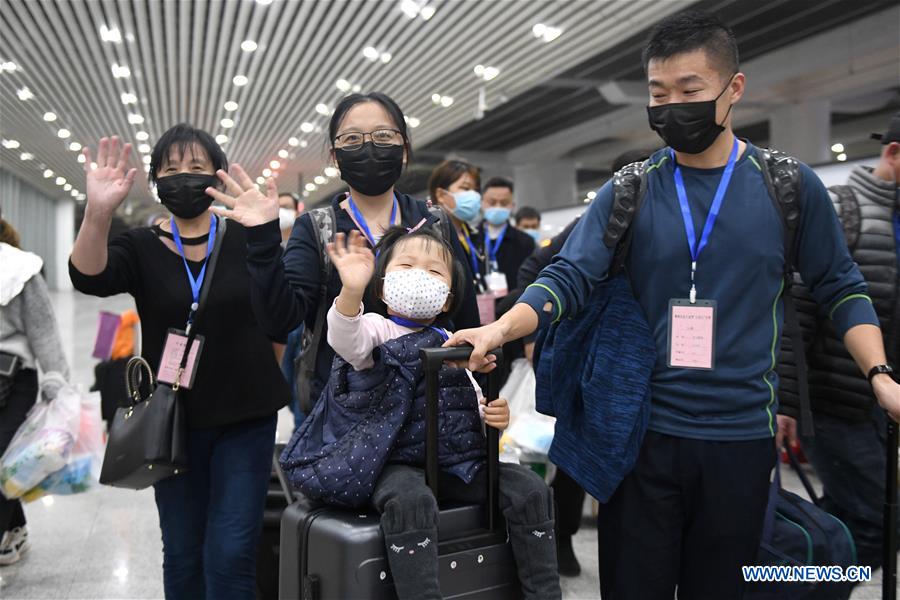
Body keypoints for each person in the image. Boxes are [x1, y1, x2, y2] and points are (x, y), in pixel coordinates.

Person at [445, 11, 900, 599]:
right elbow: (567, 276)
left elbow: (840, 285)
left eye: (689, 90)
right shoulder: (632, 188)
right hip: (640, 436)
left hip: (740, 437)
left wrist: (880, 374)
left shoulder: (787, 187)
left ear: (734, 88)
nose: (671, 107)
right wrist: (500, 330)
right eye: (658, 94)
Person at [69, 126, 290, 599]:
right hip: (171, 422)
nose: (183, 177)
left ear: (217, 175)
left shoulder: (245, 236)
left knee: (231, 553)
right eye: (171, 169)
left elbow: (281, 317)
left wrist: (266, 235)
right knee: (184, 552)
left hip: (246, 418)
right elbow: (88, 276)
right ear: (156, 182)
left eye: (196, 167)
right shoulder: (141, 245)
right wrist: (98, 213)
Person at [283, 224, 561, 600]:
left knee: (529, 489)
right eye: (406, 265)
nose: (419, 276)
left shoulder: (453, 342)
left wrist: (492, 415)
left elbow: (469, 402)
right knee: (411, 502)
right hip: (390, 462)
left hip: (455, 462)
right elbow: (344, 338)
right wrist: (350, 291)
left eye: (433, 271)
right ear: (382, 287)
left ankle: (544, 592)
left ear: (447, 299)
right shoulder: (375, 330)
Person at [211, 93, 481, 418]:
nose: (369, 147)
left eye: (383, 136)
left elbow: (467, 321)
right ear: (335, 157)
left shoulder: (434, 223)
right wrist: (263, 239)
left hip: (429, 410)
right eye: (352, 138)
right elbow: (280, 320)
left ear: (404, 149)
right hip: (340, 415)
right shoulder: (317, 228)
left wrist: (477, 403)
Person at [501, 148, 654, 578]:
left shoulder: (673, 223)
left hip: (644, 361)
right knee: (577, 448)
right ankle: (563, 536)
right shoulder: (596, 222)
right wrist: (532, 336)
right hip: (592, 356)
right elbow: (538, 270)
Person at [777, 111, 900, 575]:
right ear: (894, 153)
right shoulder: (840, 208)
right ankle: (809, 584)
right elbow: (799, 311)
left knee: (848, 514)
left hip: (883, 404)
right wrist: (786, 402)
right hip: (835, 402)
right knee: (874, 520)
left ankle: (803, 582)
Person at [0, 218, 70, 566]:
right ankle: (15, 529)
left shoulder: (19, 267)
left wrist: (56, 381)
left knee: (3, 460)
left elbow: (43, 330)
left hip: (12, 379)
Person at [428, 159, 486, 292]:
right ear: (441, 195)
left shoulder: (473, 233)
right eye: (465, 188)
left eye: (475, 190)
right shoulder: (429, 235)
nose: (474, 195)